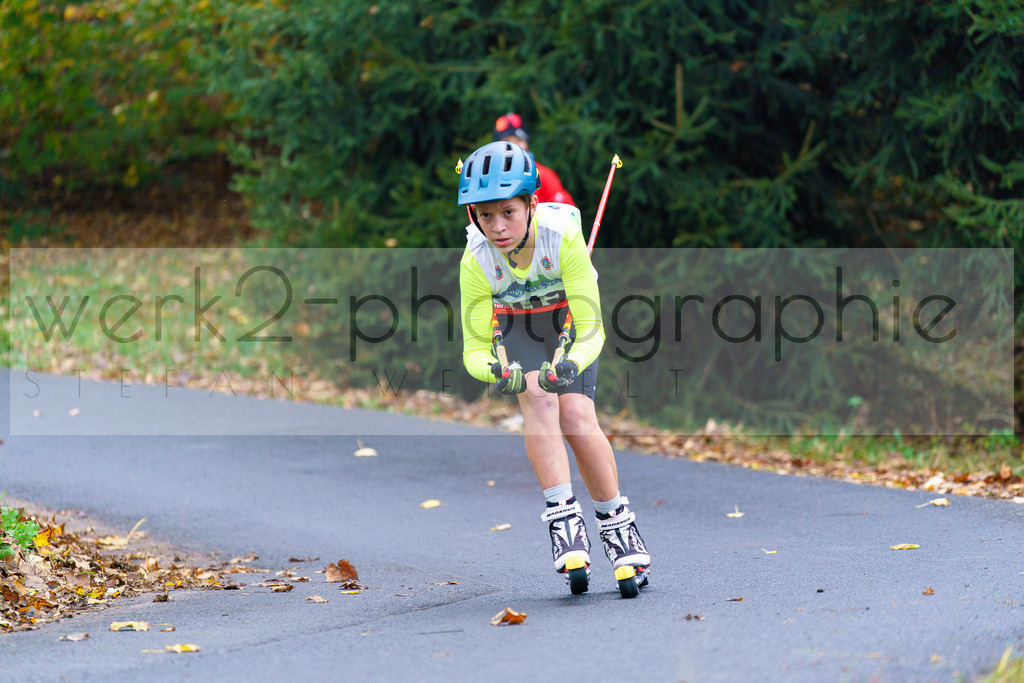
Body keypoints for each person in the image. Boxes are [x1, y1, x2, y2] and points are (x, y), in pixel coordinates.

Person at [457, 140, 650, 597]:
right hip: (518, 324)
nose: (497, 227)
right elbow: (473, 349)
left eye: (508, 212)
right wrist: (496, 371)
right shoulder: (475, 259)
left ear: (532, 205)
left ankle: (618, 525)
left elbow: (593, 329)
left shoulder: (561, 236)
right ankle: (564, 522)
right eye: (485, 215)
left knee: (577, 415)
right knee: (538, 400)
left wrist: (573, 363)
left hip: (570, 322)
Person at [493, 112, 575, 206]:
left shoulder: (544, 176)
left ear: (527, 143)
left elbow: (566, 210)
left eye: (518, 141)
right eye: (506, 141)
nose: (513, 147)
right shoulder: (490, 177)